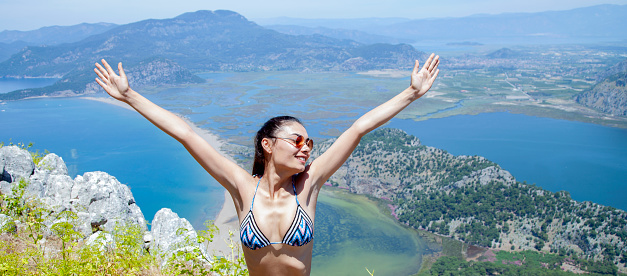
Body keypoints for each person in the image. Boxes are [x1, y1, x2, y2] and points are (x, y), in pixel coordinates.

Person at [93, 53, 439, 276]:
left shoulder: (310, 185)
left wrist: (411, 93)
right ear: (268, 145)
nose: (306, 149)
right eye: (297, 140)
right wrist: (129, 96)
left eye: (310, 143)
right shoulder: (243, 187)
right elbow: (186, 134)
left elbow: (358, 128)